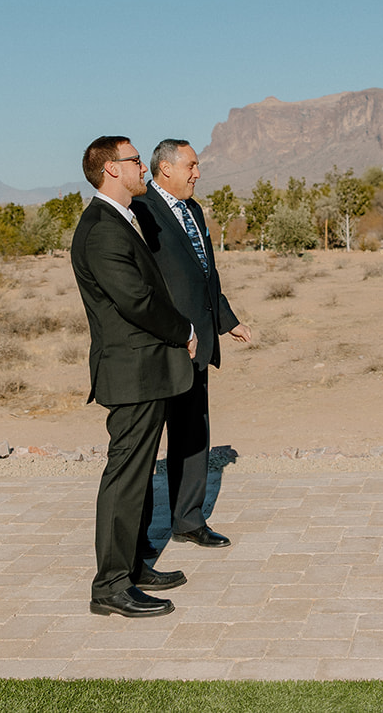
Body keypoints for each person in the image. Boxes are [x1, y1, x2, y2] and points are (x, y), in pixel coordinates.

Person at [71, 135, 198, 618]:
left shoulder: (122, 219)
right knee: (125, 477)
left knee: (140, 472)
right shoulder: (102, 229)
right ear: (110, 169)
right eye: (136, 161)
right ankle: (110, 586)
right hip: (132, 370)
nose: (144, 168)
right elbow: (136, 301)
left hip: (147, 370)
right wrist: (183, 329)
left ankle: (136, 564)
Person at [132, 138, 251, 549]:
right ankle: (141, 536)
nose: (198, 174)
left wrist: (225, 320)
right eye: (192, 166)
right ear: (165, 169)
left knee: (192, 434)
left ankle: (188, 521)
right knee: (148, 446)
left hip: (198, 341)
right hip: (162, 343)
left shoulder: (194, 210)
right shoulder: (142, 209)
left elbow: (205, 274)